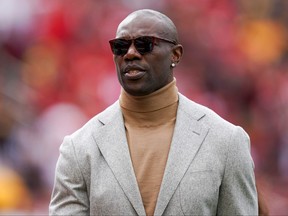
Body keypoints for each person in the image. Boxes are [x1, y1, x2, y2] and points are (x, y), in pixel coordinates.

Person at [49, 9, 258, 215]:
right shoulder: (79, 148)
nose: (131, 53)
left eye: (144, 45)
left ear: (175, 54)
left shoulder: (227, 141)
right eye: (120, 47)